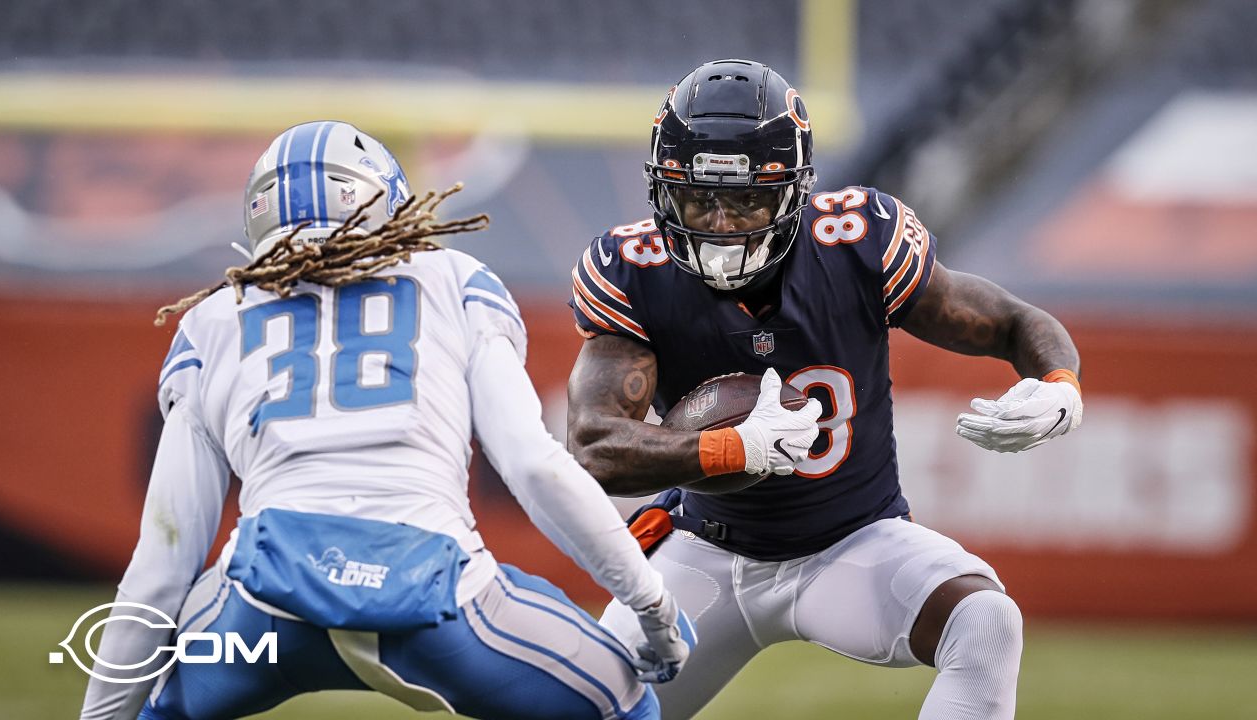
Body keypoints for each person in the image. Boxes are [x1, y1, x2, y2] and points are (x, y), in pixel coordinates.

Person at [79, 121, 695, 720]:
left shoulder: (213, 321)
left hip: (261, 605)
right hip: (435, 597)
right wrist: (651, 606)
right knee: (622, 702)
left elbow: (162, 564)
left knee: (158, 709)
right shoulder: (453, 280)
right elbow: (534, 466)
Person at [566, 59, 1083, 720]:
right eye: (700, 198)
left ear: (792, 192)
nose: (721, 224)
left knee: (985, 621)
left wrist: (1058, 380)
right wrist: (732, 450)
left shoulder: (857, 244)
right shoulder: (633, 271)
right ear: (665, 192)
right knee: (581, 708)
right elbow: (594, 447)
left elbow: (1012, 322)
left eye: (746, 199)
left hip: (853, 544)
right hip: (706, 552)